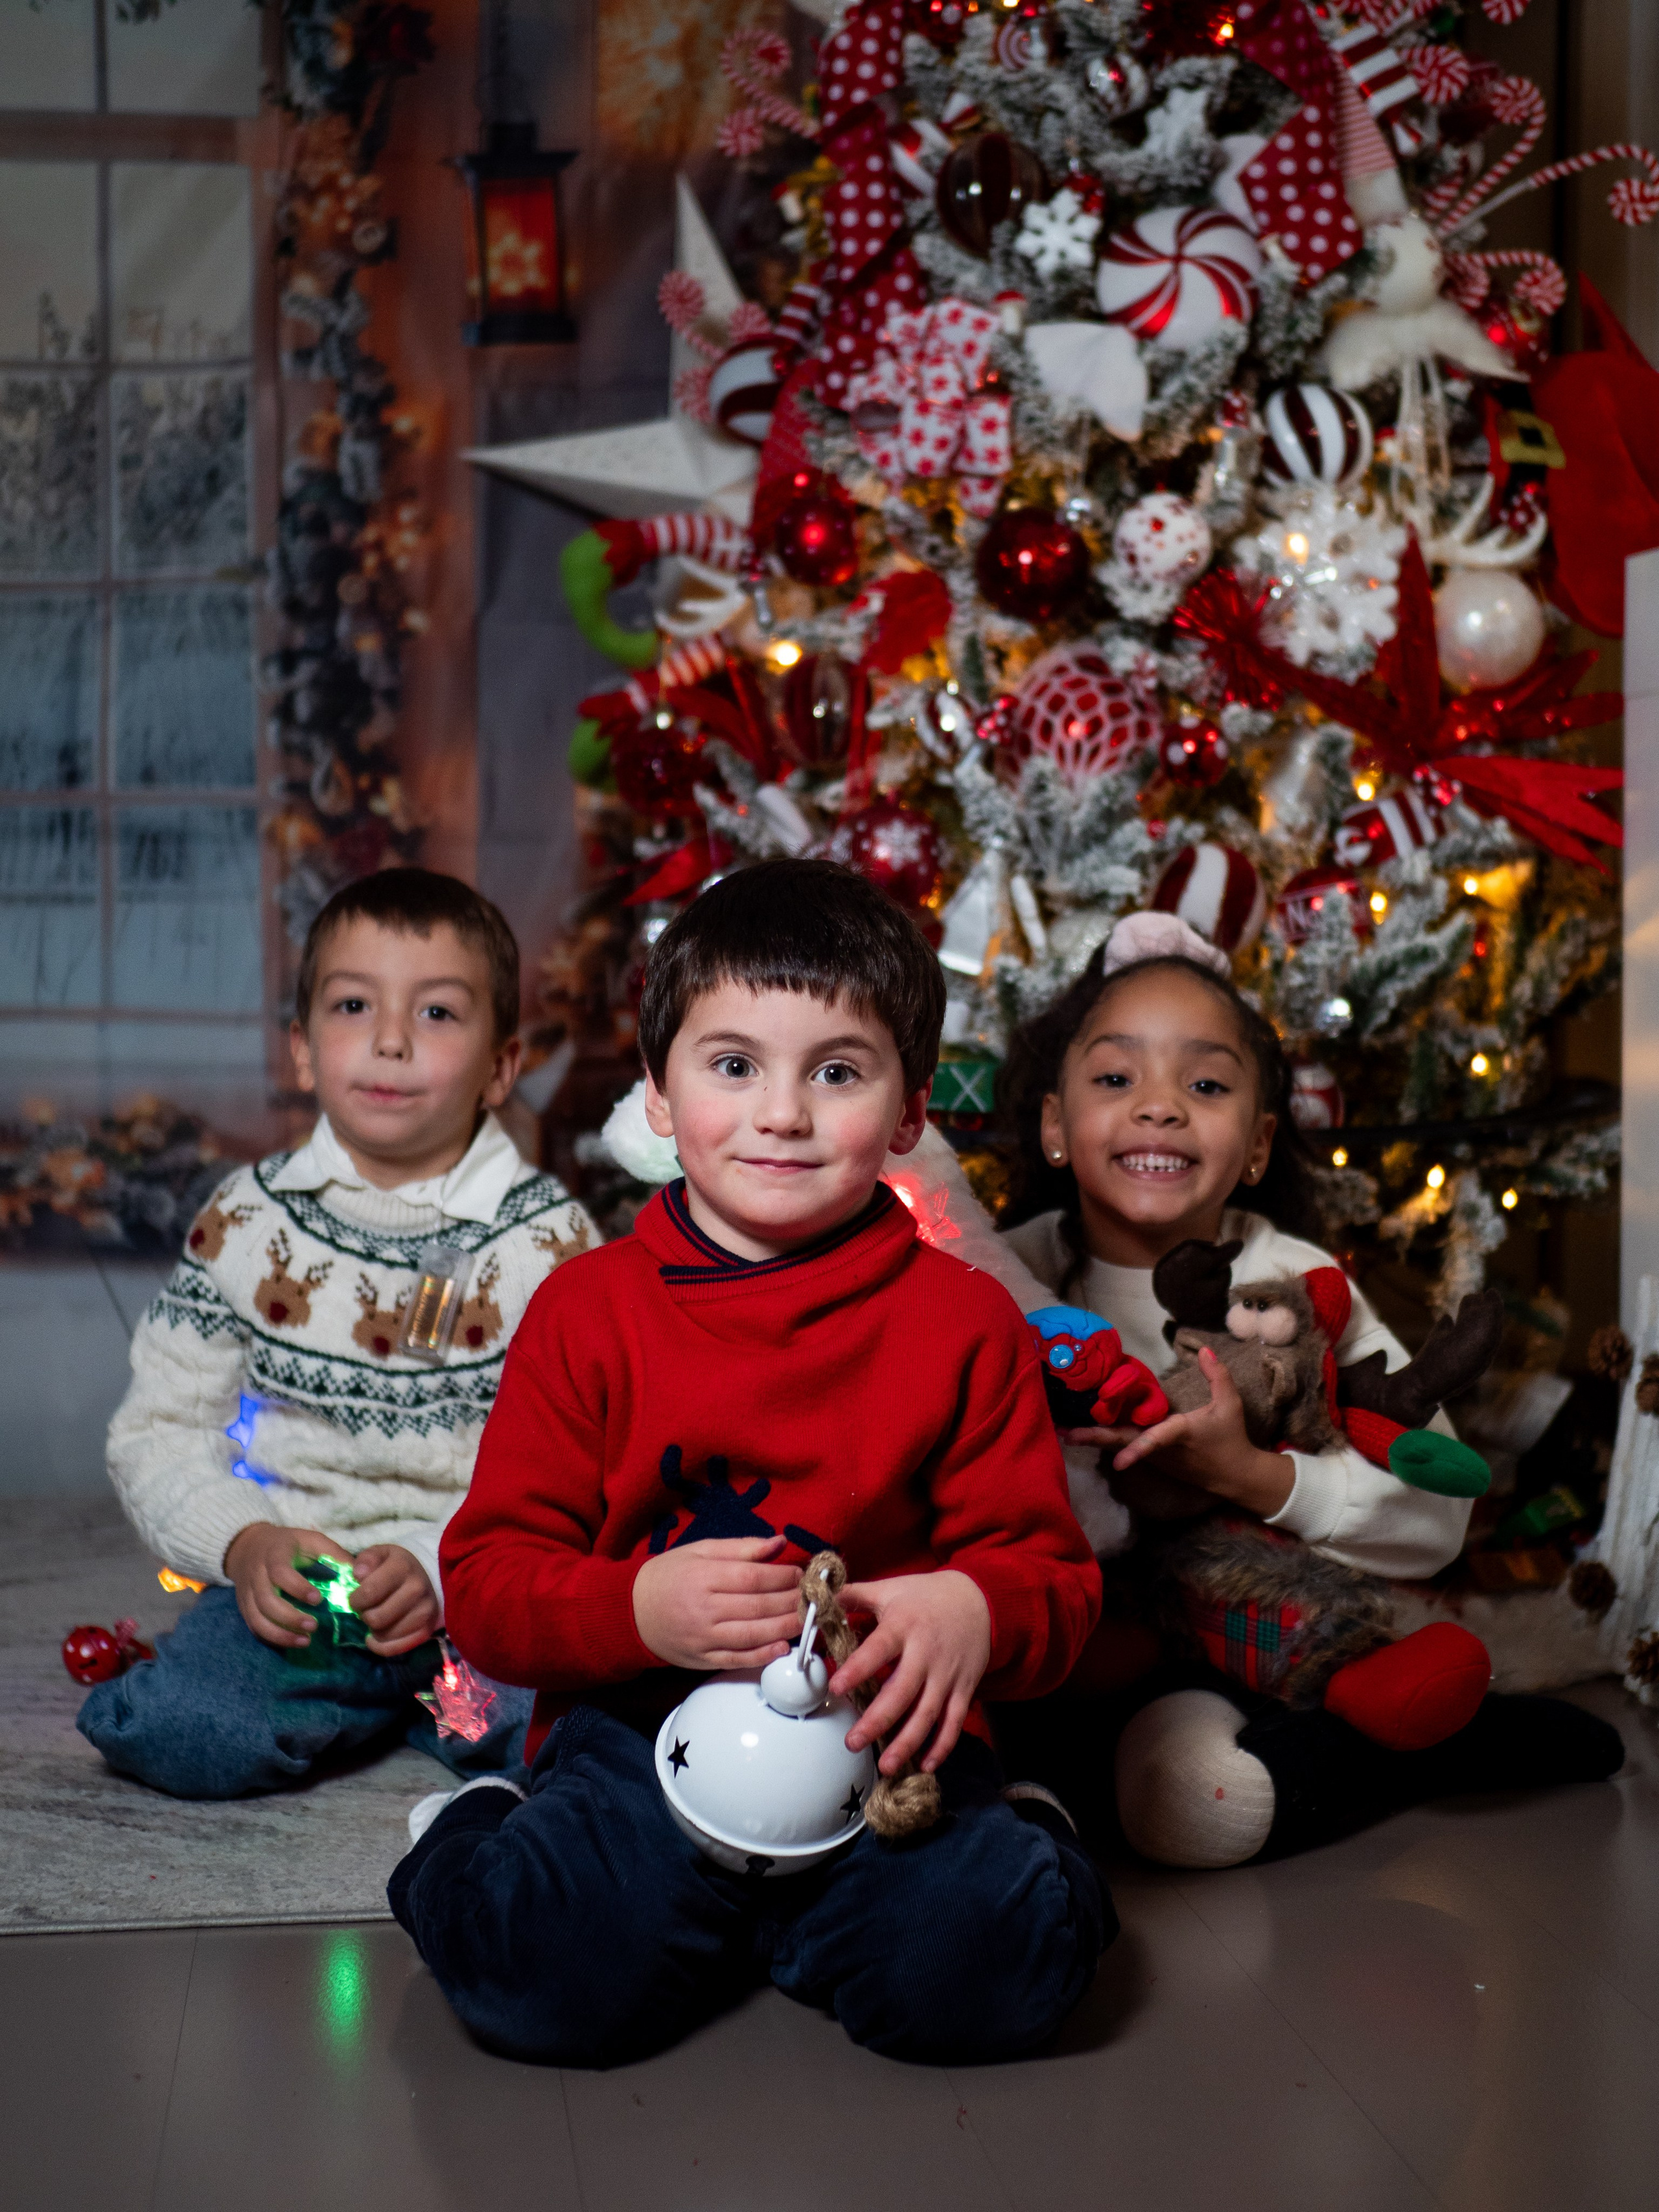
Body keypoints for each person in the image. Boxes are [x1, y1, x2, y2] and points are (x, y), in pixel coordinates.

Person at [389, 858, 1109, 2067]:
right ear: (658, 1092)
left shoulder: (967, 1323)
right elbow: (490, 1587)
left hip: (882, 1747)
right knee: (539, 1977)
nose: (782, 1113)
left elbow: (1058, 1584)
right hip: (638, 1738)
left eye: (836, 1072)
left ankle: (1006, 1840)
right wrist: (636, 1607)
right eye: (734, 1065)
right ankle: (484, 1825)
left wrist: (973, 1609)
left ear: (910, 1110)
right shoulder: (587, 1312)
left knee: (994, 1969)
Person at [992, 911, 1623, 1869]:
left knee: (1191, 1805)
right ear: (1053, 1125)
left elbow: (1439, 1513)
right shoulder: (1005, 1279)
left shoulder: (1297, 1290)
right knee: (1039, 1754)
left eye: (1205, 1084)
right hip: (1085, 1640)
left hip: (1263, 1637)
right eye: (1116, 1079)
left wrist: (1253, 1476)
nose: (1159, 1108)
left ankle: (1421, 1742)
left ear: (1256, 1144)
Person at [78, 870, 598, 1799]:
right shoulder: (248, 1221)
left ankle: (433, 1706)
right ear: (303, 1050)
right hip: (296, 1599)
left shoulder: (547, 1241)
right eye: (355, 1005)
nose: (391, 1039)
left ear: (501, 1065)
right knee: (181, 1727)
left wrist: (444, 1564)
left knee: (581, 1741)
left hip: (476, 1598)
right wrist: (244, 1544)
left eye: (437, 1013)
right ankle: (335, 1696)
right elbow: (157, 1430)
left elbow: (582, 1458)